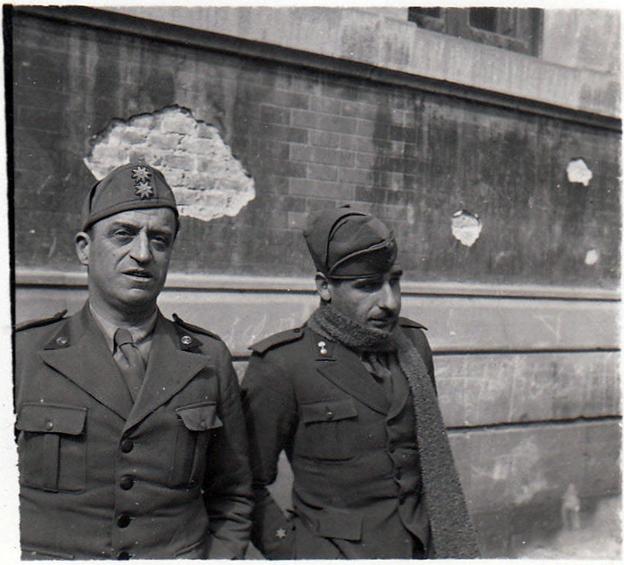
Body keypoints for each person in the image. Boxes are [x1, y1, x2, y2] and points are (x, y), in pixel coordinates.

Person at [14, 163, 253, 560]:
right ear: (84, 249)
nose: (142, 253)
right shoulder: (24, 353)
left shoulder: (207, 359)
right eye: (123, 234)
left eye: (159, 240)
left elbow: (233, 496)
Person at [242, 206, 480, 559]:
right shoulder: (282, 364)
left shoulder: (412, 347)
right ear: (324, 287)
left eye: (394, 281)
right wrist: (292, 551)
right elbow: (243, 483)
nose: (389, 302)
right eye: (367, 286)